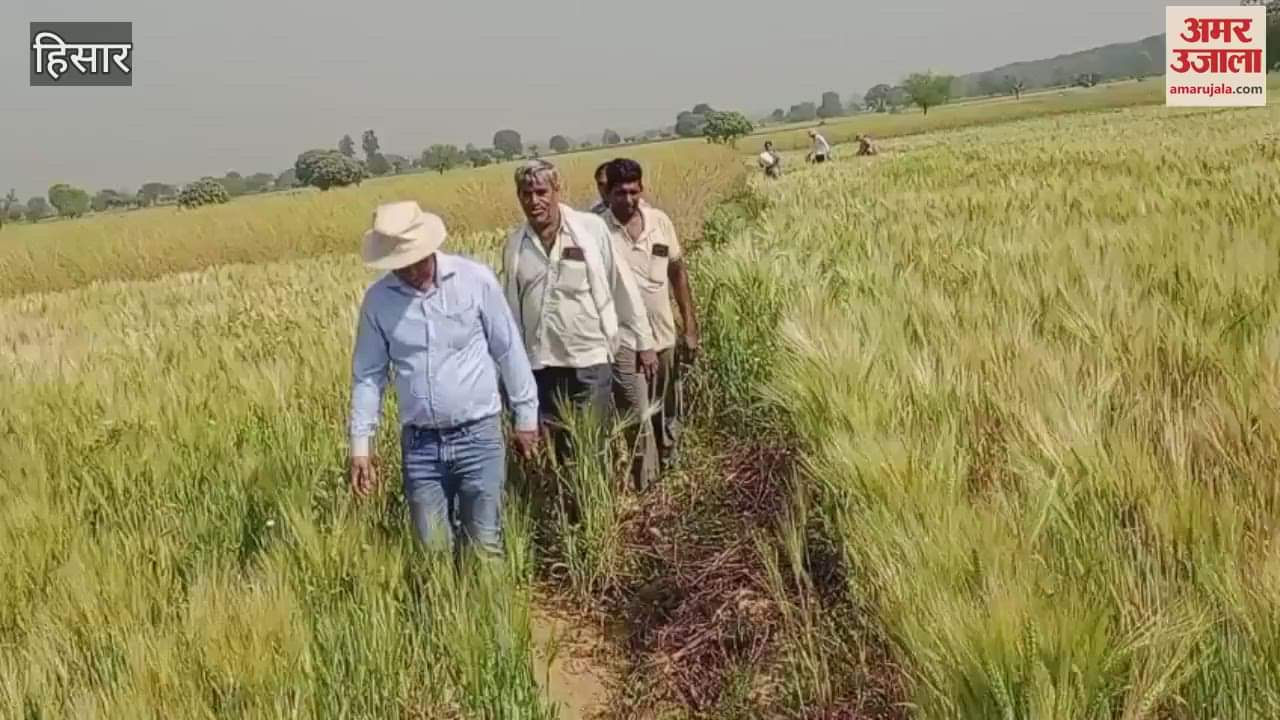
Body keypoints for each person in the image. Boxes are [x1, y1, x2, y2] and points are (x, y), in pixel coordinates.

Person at [348, 201, 540, 560]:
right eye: (400, 264)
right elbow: (368, 377)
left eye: (416, 259)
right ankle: (447, 616)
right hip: (421, 447)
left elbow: (508, 348)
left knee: (484, 545)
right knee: (432, 550)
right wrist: (361, 446)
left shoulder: (474, 280)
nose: (410, 270)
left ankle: (491, 616)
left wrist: (525, 416)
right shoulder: (378, 302)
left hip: (479, 438)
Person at [502, 159, 657, 462]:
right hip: (541, 365)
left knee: (590, 448)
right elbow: (510, 309)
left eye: (541, 191)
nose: (534, 201)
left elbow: (620, 285)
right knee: (557, 455)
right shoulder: (514, 246)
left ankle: (594, 507)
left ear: (557, 190)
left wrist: (644, 343)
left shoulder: (590, 230)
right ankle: (567, 507)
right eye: (525, 193)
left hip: (589, 360)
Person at [600, 158, 700, 489]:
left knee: (666, 407)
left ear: (641, 188)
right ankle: (646, 485)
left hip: (664, 334)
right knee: (637, 412)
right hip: (625, 341)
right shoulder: (597, 231)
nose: (627, 199)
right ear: (607, 193)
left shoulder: (660, 222)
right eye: (619, 193)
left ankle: (669, 468)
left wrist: (690, 325)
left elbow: (677, 272)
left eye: (633, 191)